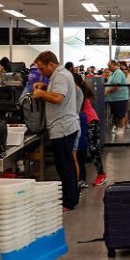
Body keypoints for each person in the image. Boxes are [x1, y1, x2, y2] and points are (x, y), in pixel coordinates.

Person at [31, 51, 81, 210]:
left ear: (51, 64)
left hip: (63, 128)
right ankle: (72, 197)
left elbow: (58, 98)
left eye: (41, 68)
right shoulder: (60, 75)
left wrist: (41, 93)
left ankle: (68, 201)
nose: (41, 72)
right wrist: (46, 87)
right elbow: (60, 92)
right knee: (68, 165)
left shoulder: (59, 76)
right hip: (64, 127)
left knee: (65, 166)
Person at [104, 60, 129, 139]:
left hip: (120, 98)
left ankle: (121, 128)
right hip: (114, 99)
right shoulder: (113, 73)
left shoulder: (118, 73)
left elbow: (115, 86)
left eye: (109, 66)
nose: (108, 68)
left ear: (114, 65)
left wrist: (106, 92)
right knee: (117, 114)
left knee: (120, 114)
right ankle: (118, 127)